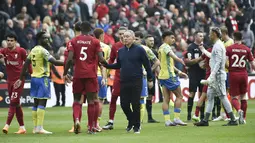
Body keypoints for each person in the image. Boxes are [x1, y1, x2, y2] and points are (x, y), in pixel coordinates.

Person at [104, 30, 153, 134]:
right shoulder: (121, 51)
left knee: (135, 103)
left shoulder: (139, 49)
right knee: (124, 104)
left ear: (133, 38)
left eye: (127, 36)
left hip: (136, 80)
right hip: (124, 80)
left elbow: (147, 64)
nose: (125, 38)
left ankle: (137, 126)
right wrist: (107, 65)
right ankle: (131, 121)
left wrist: (150, 78)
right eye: (124, 37)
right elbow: (119, 65)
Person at [14, 31, 64, 134]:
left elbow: (25, 64)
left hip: (34, 79)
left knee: (35, 103)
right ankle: (40, 128)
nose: (47, 40)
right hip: (42, 79)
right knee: (42, 102)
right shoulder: (43, 51)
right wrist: (68, 63)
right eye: (45, 38)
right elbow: (54, 62)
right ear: (40, 39)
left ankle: (36, 127)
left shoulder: (33, 50)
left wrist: (20, 78)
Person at [63, 21, 108, 134]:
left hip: (78, 75)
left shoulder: (73, 41)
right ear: (90, 29)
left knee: (77, 100)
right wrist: (109, 65)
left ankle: (77, 120)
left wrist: (65, 72)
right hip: (91, 75)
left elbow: (69, 59)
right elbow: (101, 59)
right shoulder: (95, 41)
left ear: (80, 29)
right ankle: (91, 127)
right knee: (92, 101)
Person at [194, 27, 238, 126]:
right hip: (216, 75)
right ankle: (205, 120)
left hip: (217, 76)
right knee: (210, 96)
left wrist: (211, 76)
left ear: (214, 34)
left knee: (223, 96)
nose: (209, 35)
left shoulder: (218, 46)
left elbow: (218, 62)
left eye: (210, 33)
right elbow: (213, 57)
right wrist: (203, 50)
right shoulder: (218, 45)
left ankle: (233, 119)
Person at [1, 33, 31, 134]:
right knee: (17, 104)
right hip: (9, 81)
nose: (9, 42)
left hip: (19, 80)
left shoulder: (21, 51)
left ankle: (6, 125)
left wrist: (31, 74)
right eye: (8, 40)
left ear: (15, 42)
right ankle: (22, 127)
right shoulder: (3, 51)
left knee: (13, 102)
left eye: (11, 40)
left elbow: (27, 62)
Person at [158, 31, 188, 126]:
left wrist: (179, 71)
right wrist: (179, 59)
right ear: (166, 38)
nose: (173, 40)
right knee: (179, 96)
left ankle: (167, 121)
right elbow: (171, 54)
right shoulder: (166, 47)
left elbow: (168, 64)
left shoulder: (160, 48)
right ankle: (176, 118)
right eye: (172, 37)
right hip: (170, 76)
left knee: (166, 98)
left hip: (162, 76)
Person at [226, 31, 255, 124]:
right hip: (244, 74)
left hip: (234, 74)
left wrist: (229, 68)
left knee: (234, 97)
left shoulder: (229, 49)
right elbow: (252, 63)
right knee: (244, 96)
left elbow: (224, 62)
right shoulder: (246, 49)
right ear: (242, 38)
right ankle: (244, 118)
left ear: (234, 38)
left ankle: (239, 110)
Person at [103, 27, 127, 130]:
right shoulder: (115, 46)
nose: (122, 36)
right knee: (113, 98)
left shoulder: (133, 47)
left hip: (130, 78)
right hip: (118, 78)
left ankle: (132, 121)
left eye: (124, 34)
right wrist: (105, 69)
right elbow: (111, 61)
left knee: (128, 101)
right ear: (118, 35)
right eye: (120, 34)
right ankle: (111, 121)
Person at [134, 32, 160, 123]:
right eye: (150, 41)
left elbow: (157, 63)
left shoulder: (152, 51)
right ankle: (136, 119)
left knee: (148, 96)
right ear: (145, 41)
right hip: (136, 76)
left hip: (147, 76)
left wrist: (151, 72)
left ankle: (148, 117)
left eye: (153, 41)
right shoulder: (133, 49)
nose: (152, 42)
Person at [213, 26, 234, 121]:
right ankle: (223, 114)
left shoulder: (231, 42)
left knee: (229, 93)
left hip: (229, 70)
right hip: (223, 71)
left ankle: (232, 113)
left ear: (224, 33)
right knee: (223, 93)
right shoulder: (222, 43)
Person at [184, 30, 206, 121]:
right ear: (195, 37)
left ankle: (202, 115)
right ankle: (189, 115)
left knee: (203, 94)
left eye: (202, 36)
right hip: (193, 73)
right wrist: (200, 59)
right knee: (192, 93)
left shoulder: (205, 47)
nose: (202, 37)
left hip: (203, 73)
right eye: (200, 36)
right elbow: (189, 62)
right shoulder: (191, 47)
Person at [93, 28, 111, 131]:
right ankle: (97, 123)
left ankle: (91, 123)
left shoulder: (89, 45)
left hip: (90, 75)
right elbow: (105, 64)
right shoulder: (106, 47)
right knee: (100, 100)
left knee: (91, 101)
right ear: (101, 35)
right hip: (100, 76)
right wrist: (105, 77)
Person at [192, 48, 212, 122]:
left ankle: (196, 114)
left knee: (203, 95)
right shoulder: (219, 49)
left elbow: (200, 61)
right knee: (223, 96)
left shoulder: (208, 50)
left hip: (208, 75)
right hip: (216, 75)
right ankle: (229, 116)